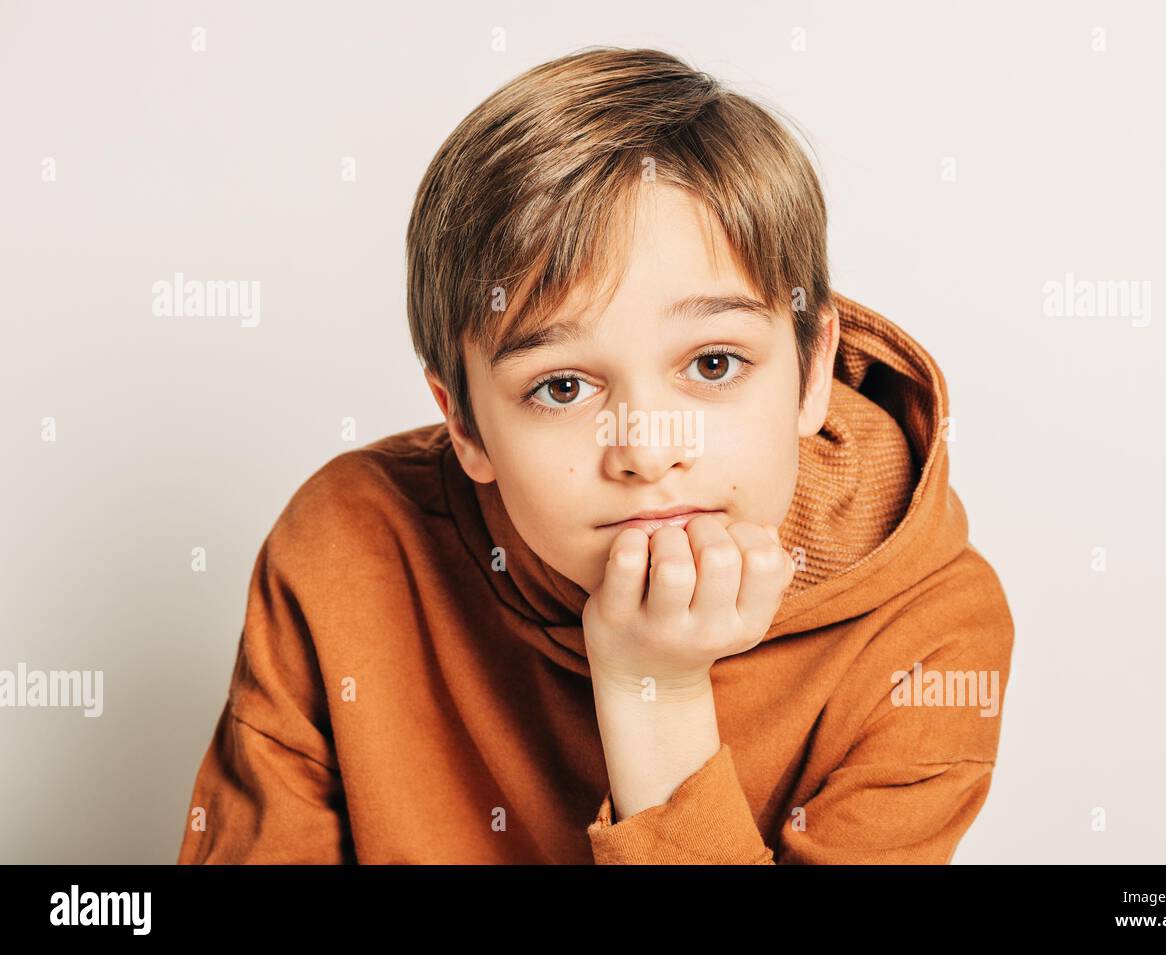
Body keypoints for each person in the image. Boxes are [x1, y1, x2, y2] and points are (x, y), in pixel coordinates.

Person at [177, 46, 1013, 864]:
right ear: (464, 423)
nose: (647, 453)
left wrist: (657, 693)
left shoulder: (935, 632)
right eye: (563, 387)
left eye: (713, 364)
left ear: (811, 371)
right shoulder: (346, 547)